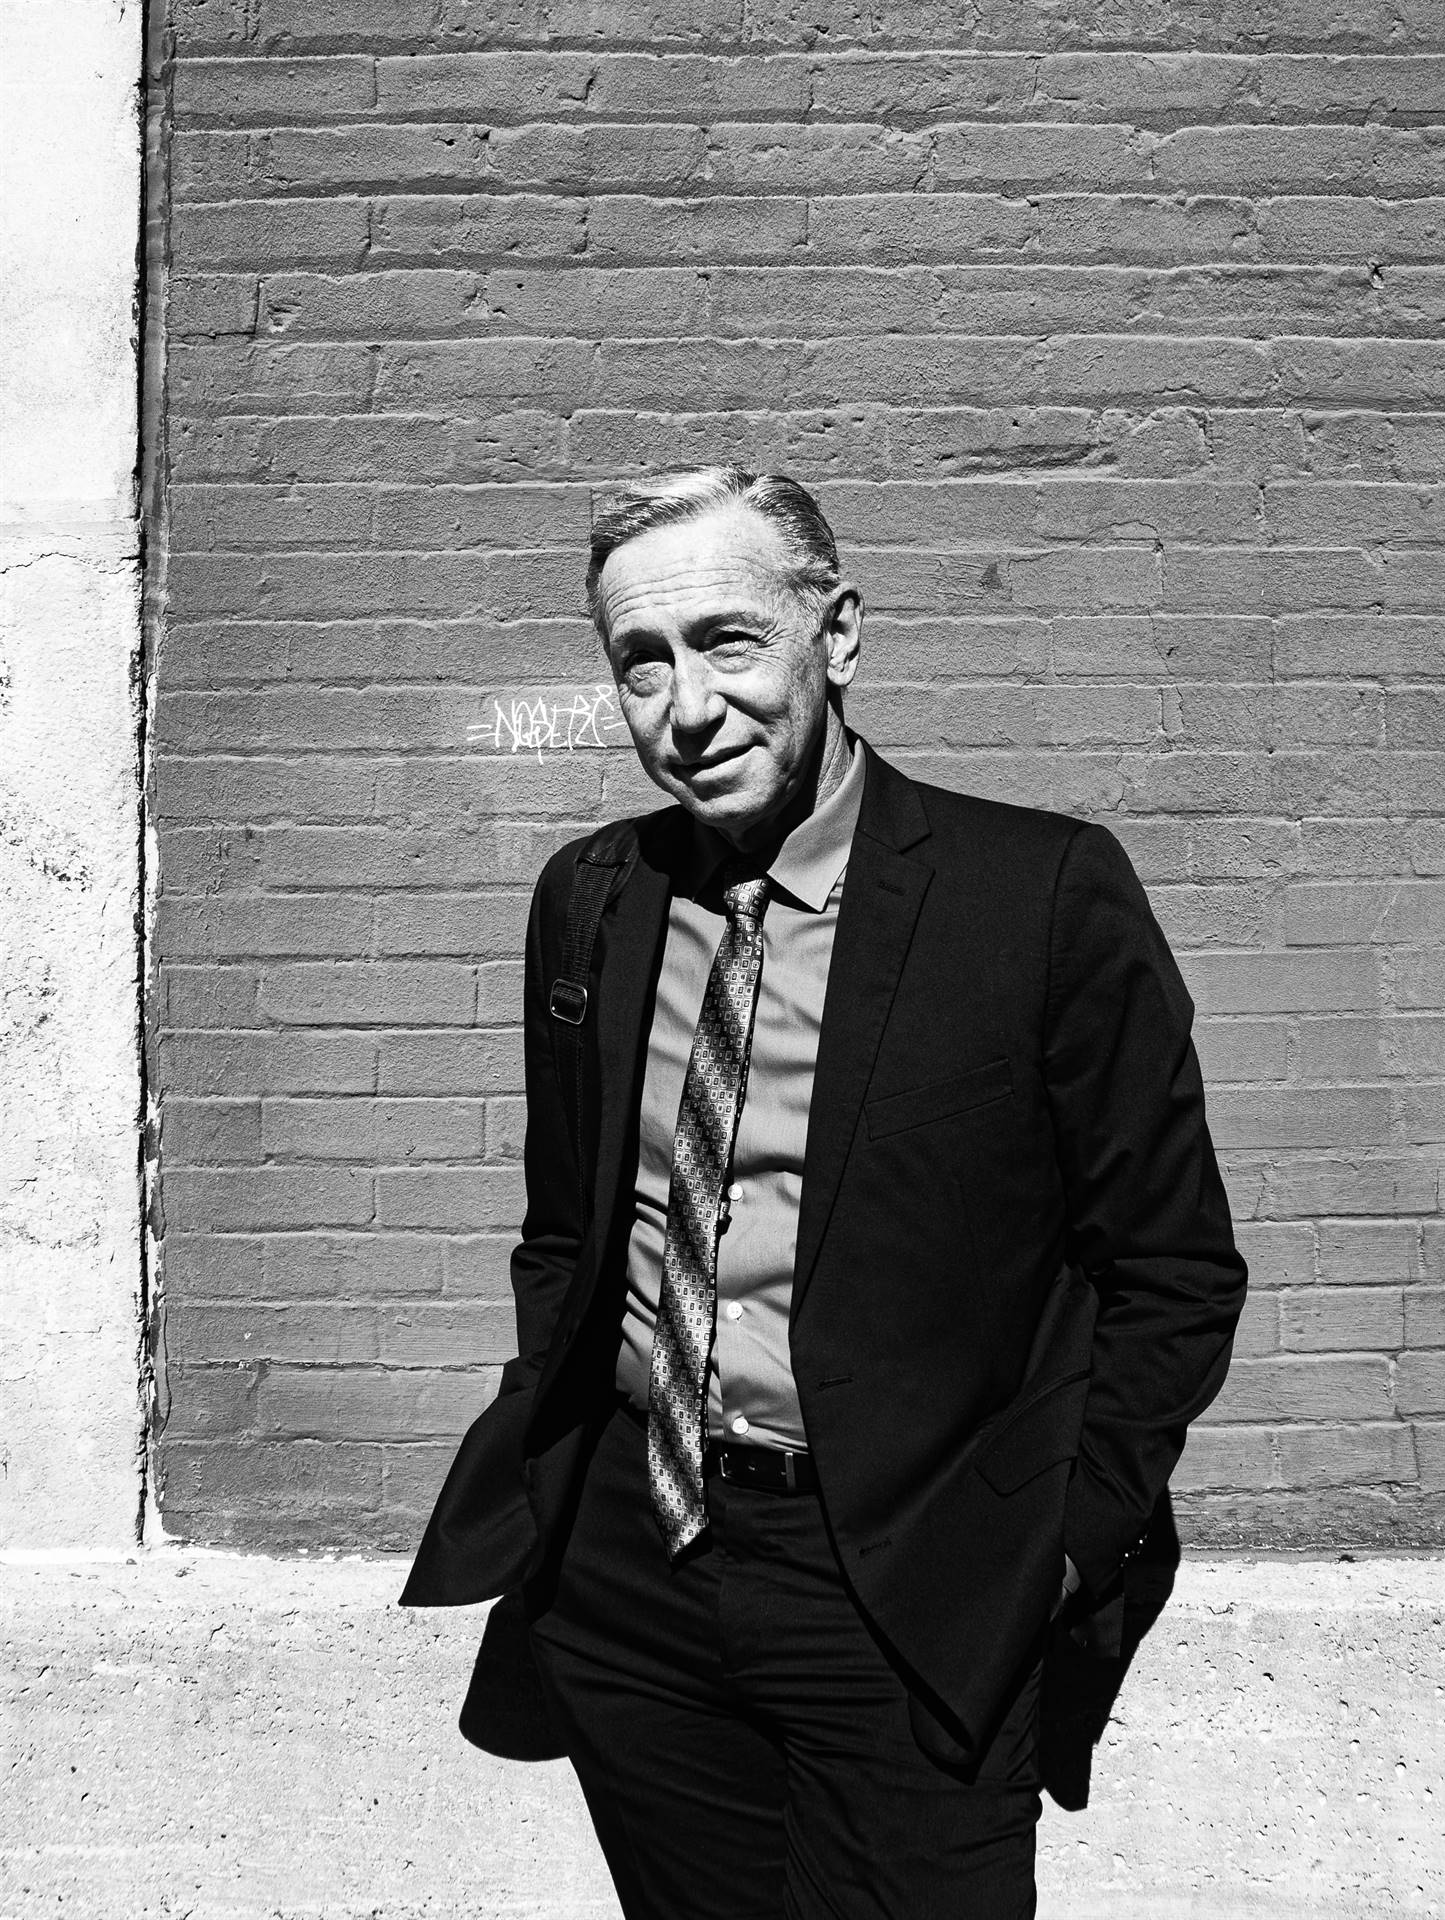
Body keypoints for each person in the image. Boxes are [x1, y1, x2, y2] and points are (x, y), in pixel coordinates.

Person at [402, 467, 1247, 1917]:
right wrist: (563, 1483)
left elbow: (1172, 1269)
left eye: (727, 641)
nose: (688, 707)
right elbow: (567, 1229)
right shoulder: (591, 895)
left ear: (837, 633)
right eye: (641, 662)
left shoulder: (1035, 894)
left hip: (909, 1584)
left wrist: (1052, 1550)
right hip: (634, 1563)